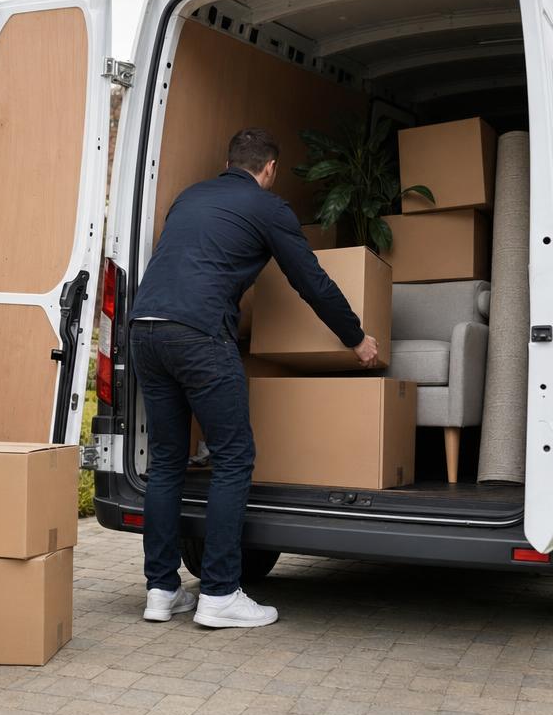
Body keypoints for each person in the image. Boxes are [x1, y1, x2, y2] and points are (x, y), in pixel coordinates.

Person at [129, 127, 379, 628]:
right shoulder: (268, 207)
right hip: (199, 334)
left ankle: (161, 590)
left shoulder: (189, 197)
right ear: (269, 170)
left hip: (144, 329)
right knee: (233, 457)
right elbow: (311, 279)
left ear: (229, 162)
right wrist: (356, 337)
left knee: (166, 461)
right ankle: (220, 594)